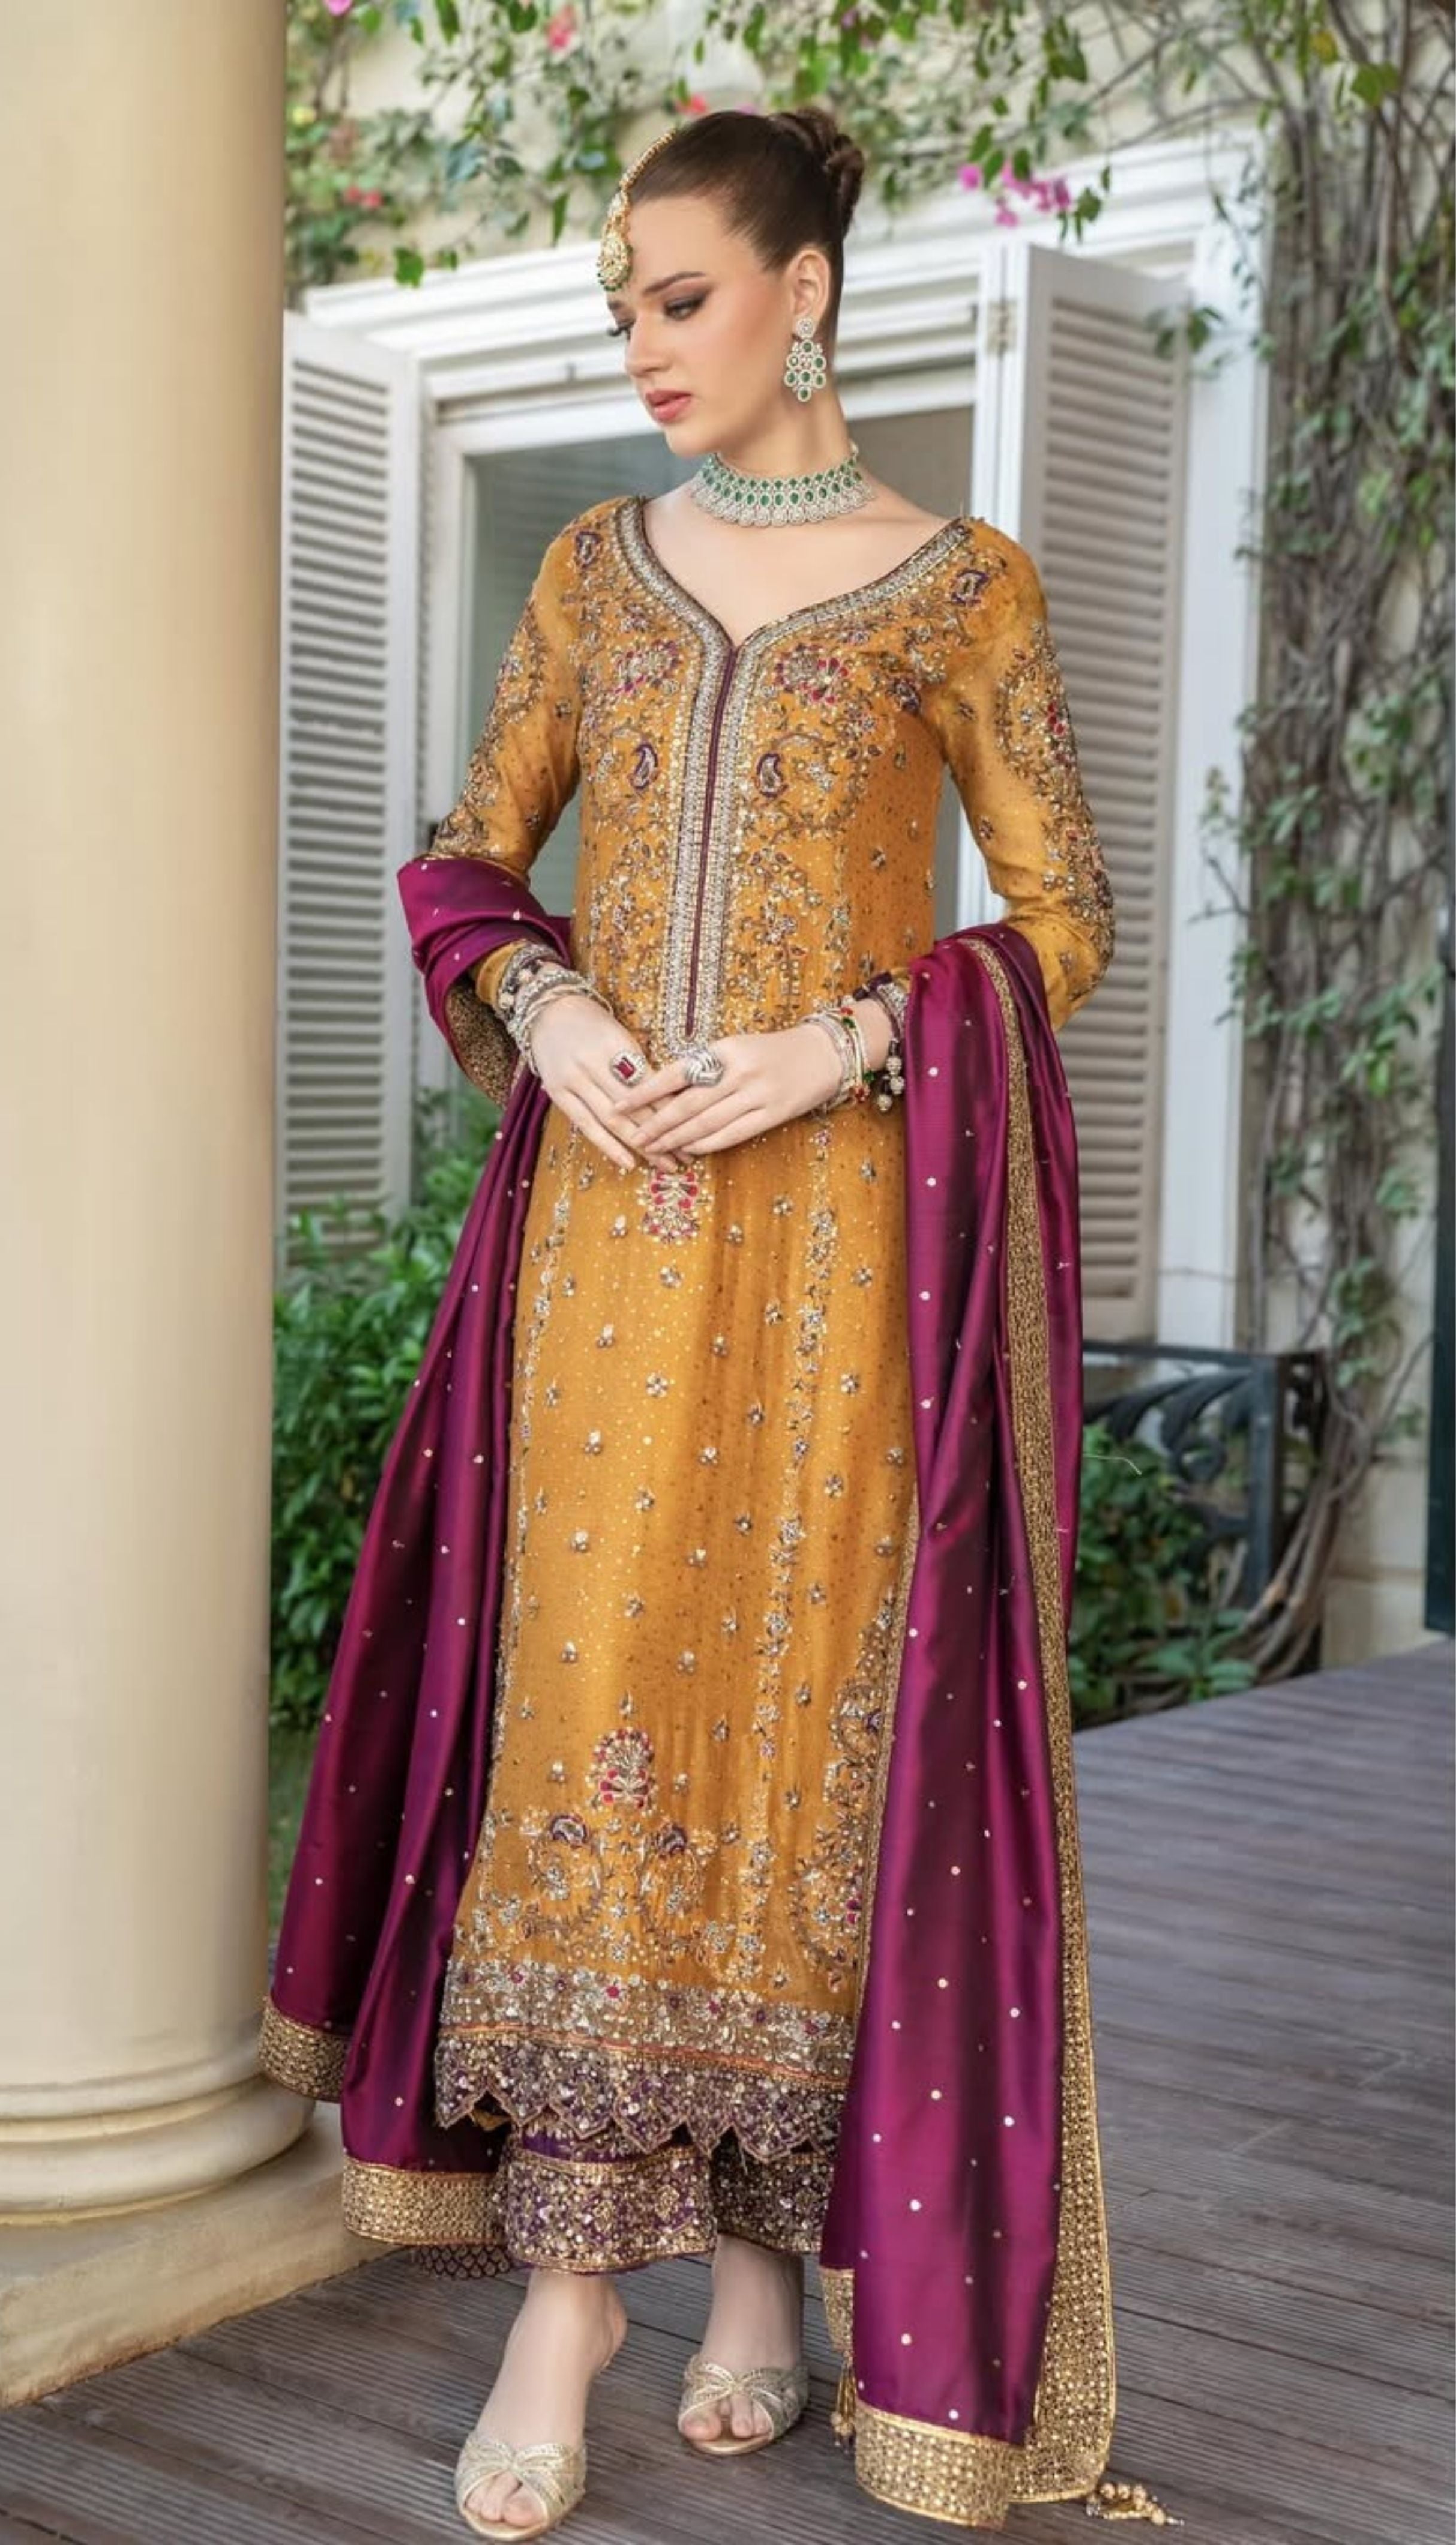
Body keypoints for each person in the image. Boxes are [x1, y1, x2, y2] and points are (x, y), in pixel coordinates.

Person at [260, 105, 1176, 2541]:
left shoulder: (959, 589)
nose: (642, 343)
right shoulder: (587, 568)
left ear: (800, 291)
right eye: (620, 309)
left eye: (678, 296)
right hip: (602, 1253)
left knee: (791, 1739)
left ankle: (764, 2276)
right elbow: (466, 850)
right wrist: (543, 1009)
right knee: (588, 1702)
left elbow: (1064, 918)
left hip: (841, 1255)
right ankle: (565, 2289)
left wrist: (852, 1040)